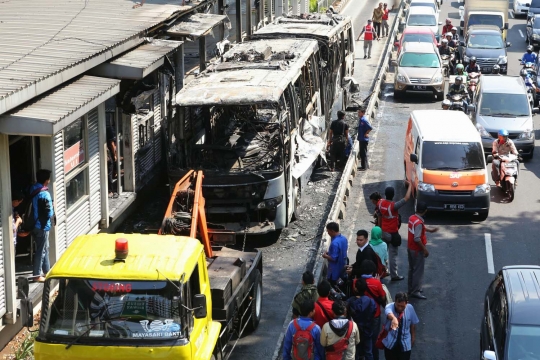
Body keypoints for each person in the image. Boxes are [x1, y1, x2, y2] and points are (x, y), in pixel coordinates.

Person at [369, 185, 412, 281]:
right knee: (393, 255)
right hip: (393, 233)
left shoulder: (380, 203)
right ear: (393, 195)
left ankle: (383, 271)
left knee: (383, 253)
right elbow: (407, 198)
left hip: (383, 232)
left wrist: (380, 230)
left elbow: (379, 217)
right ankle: (394, 275)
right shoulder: (394, 206)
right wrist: (410, 186)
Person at [407, 201, 438, 299]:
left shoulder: (412, 218)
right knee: (418, 271)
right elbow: (417, 238)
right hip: (417, 250)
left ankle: (411, 289)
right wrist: (424, 250)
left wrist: (429, 230)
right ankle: (415, 291)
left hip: (410, 248)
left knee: (412, 269)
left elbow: (419, 229)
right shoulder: (419, 223)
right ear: (425, 211)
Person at [361, 260, 387, 360]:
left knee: (364, 336)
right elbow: (383, 297)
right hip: (375, 314)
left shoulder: (357, 282)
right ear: (372, 271)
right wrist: (378, 282)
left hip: (362, 314)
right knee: (374, 337)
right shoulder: (376, 283)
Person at [31, 169, 55, 282]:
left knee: (45, 248)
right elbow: (49, 213)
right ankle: (36, 275)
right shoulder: (45, 194)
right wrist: (52, 204)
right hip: (42, 226)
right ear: (46, 180)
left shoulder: (33, 188)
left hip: (34, 224)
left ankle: (46, 271)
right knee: (41, 251)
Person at [381, 292, 420, 360]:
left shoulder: (410, 308)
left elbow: (412, 324)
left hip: (405, 344)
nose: (399, 308)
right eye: (398, 305)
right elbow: (388, 312)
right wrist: (393, 318)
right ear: (395, 301)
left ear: (406, 303)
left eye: (402, 306)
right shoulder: (389, 306)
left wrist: (413, 337)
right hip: (390, 343)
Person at [347, 277, 377, 360]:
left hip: (355, 331)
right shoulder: (371, 301)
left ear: (355, 288)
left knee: (355, 352)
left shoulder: (350, 302)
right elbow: (373, 313)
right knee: (368, 352)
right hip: (367, 330)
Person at [357, 106, 372, 171]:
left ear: (363, 113)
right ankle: (364, 166)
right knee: (362, 153)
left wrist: (366, 133)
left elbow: (370, 128)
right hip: (361, 138)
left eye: (359, 112)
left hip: (363, 139)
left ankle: (364, 167)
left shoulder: (364, 120)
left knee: (363, 153)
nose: (358, 114)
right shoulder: (361, 119)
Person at [106, 125, 119, 198]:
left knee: (110, 171)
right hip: (109, 154)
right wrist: (115, 155)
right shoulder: (109, 129)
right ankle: (110, 190)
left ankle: (110, 189)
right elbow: (112, 144)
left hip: (107, 154)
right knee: (109, 172)